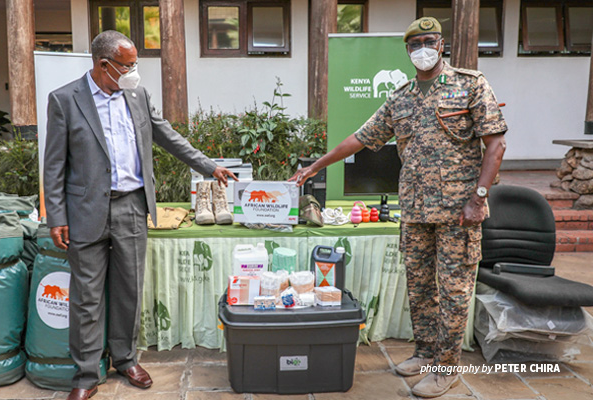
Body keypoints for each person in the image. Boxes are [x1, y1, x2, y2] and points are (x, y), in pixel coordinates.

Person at [290, 17, 507, 398]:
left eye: (429, 40)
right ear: (408, 51)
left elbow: (496, 145)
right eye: (415, 43)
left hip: (459, 211)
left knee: (455, 292)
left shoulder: (471, 85)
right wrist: (315, 165)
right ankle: (425, 353)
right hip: (415, 210)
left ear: (441, 45)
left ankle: (446, 368)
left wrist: (479, 197)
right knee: (420, 287)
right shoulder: (401, 97)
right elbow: (360, 137)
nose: (422, 48)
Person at [43, 30, 237, 400]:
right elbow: (53, 165)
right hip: (84, 211)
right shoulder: (65, 100)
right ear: (104, 65)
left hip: (132, 206)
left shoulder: (136, 94)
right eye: (128, 65)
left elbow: (166, 135)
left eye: (135, 64)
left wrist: (209, 166)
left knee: (129, 290)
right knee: (86, 297)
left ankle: (126, 358)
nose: (134, 72)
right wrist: (56, 216)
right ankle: (85, 375)